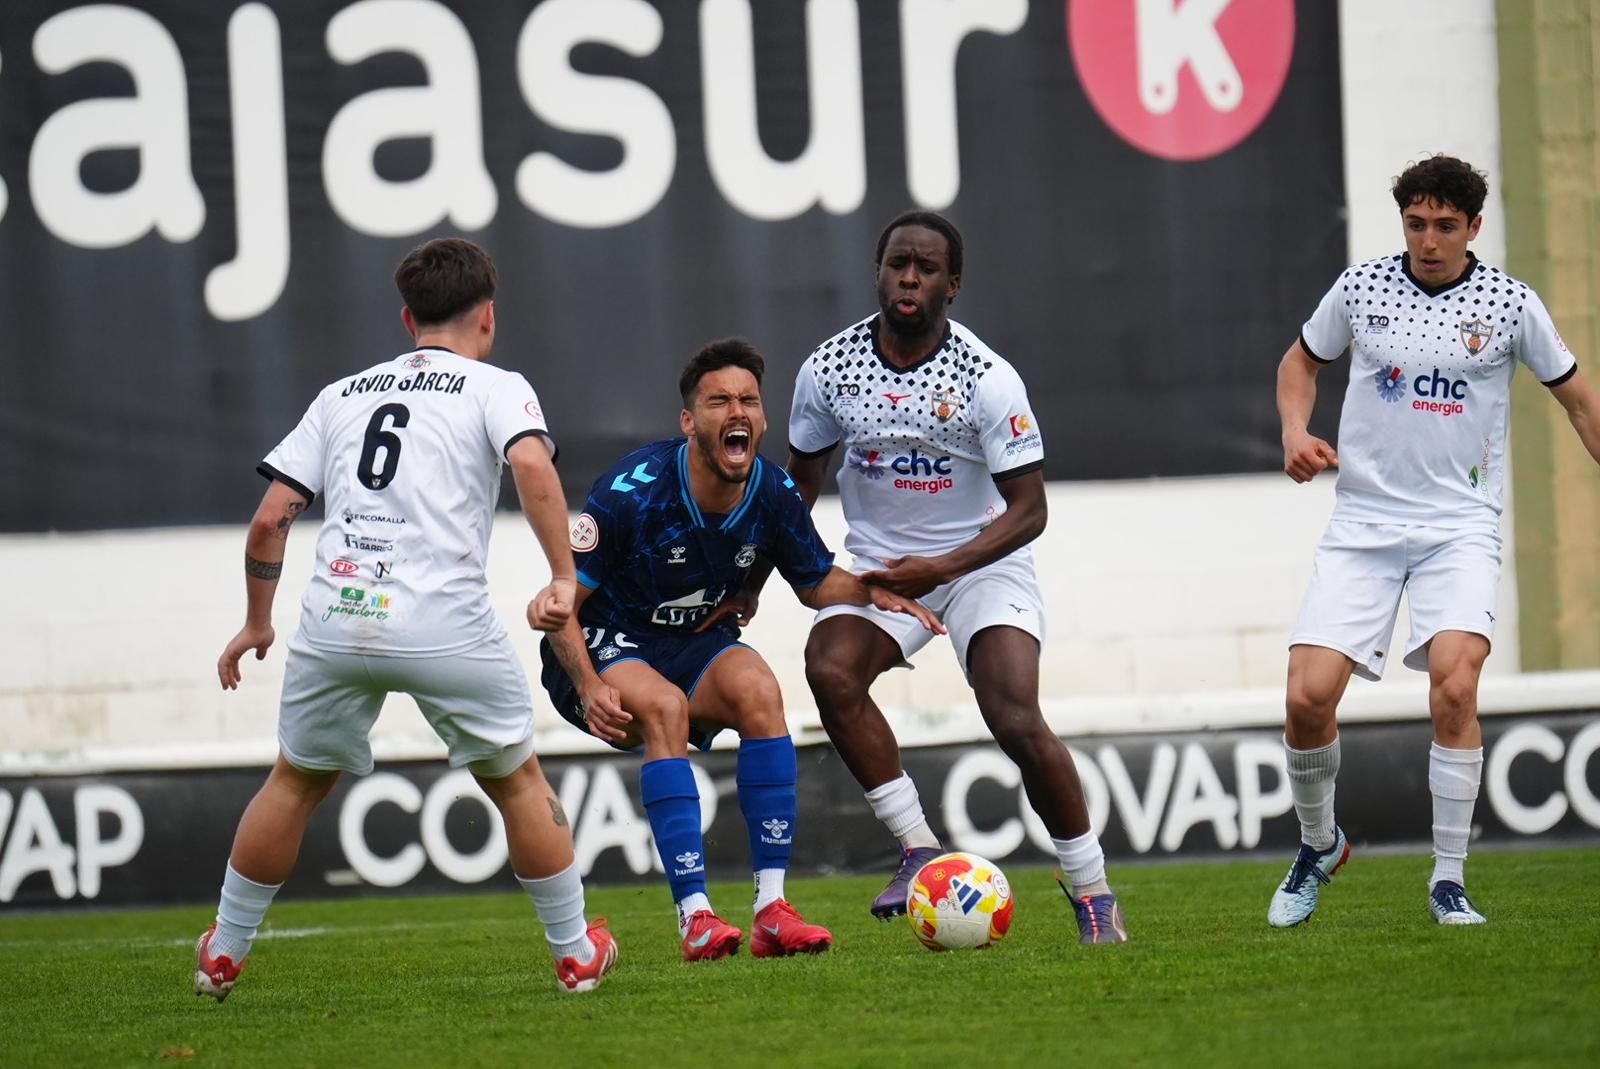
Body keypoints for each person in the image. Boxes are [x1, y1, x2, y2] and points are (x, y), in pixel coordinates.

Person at [199, 238, 618, 999]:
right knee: (519, 782)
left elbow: (270, 520)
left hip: (337, 618)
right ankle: (573, 950)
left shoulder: (341, 395)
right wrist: (562, 574)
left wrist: (258, 621)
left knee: (293, 782)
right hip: (442, 624)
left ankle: (223, 951)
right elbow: (531, 465)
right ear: (486, 316)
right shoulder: (497, 387)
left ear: (406, 318)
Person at [777, 210, 1127, 944]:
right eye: (898, 262)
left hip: (980, 563)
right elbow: (795, 488)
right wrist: (759, 581)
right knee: (829, 669)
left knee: (1014, 716)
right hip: (880, 567)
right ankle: (918, 847)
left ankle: (1093, 890)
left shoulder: (987, 379)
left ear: (953, 285)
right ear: (878, 272)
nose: (910, 276)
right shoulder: (829, 368)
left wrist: (940, 567)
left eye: (926, 267)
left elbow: (1029, 511)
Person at [1270, 155, 1598, 927]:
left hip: (1458, 527)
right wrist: (1293, 430)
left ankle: (1448, 878)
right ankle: (1321, 844)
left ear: (1474, 227)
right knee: (1305, 698)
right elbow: (1299, 363)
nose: (1428, 240)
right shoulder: (1361, 287)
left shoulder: (1512, 304)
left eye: (1445, 225)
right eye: (1416, 224)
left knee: (1455, 682)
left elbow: (1580, 399)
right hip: (1363, 525)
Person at [539, 338, 944, 962]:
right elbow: (562, 603)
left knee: (760, 688)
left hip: (689, 643)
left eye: (749, 401)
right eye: (719, 400)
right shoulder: (632, 490)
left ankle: (771, 910)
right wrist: (589, 685)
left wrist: (872, 590)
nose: (737, 411)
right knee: (667, 708)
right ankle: (695, 917)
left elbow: (814, 583)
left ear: (760, 419)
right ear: (689, 421)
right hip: (601, 645)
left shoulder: (774, 491)